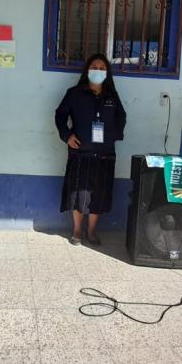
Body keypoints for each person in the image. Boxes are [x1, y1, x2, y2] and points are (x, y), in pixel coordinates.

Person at [54, 53, 127, 246]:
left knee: (99, 193)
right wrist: (67, 136)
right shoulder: (74, 93)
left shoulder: (112, 95)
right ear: (87, 70)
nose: (98, 71)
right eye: (94, 67)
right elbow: (60, 116)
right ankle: (77, 230)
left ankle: (91, 231)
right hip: (80, 153)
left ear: (107, 73)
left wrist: (113, 136)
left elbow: (122, 117)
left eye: (102, 68)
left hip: (105, 155)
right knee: (77, 192)